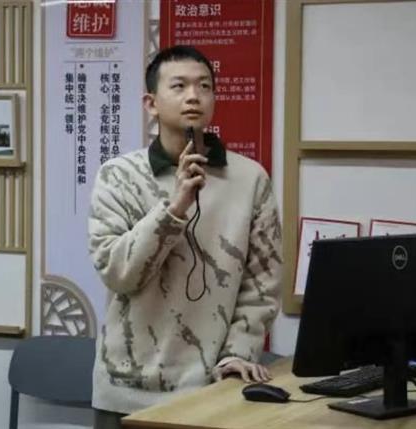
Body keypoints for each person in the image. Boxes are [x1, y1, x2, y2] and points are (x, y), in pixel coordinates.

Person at [88, 45, 282, 429]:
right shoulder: (118, 175)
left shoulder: (250, 179)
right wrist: (174, 208)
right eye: (178, 86)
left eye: (204, 86)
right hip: (127, 390)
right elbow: (118, 273)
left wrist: (239, 352)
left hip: (213, 388)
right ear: (151, 103)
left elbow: (262, 283)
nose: (194, 96)